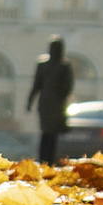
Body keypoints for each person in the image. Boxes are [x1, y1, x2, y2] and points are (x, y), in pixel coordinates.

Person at [30, 38, 75, 167]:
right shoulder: (63, 66)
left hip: (47, 103)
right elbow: (68, 86)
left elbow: (36, 85)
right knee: (50, 133)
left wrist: (30, 101)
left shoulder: (45, 65)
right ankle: (47, 159)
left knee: (48, 132)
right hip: (56, 104)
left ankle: (45, 159)